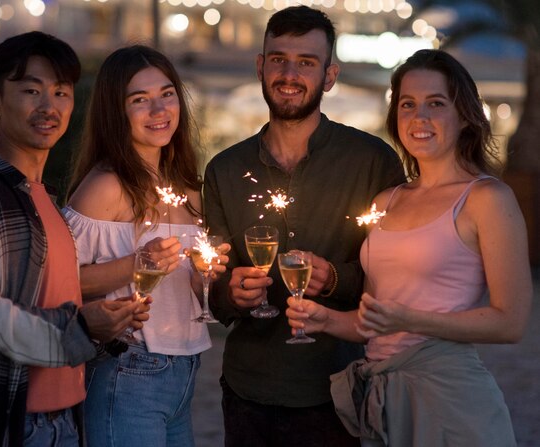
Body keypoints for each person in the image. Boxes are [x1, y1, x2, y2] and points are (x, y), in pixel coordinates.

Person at [286, 49, 533, 446]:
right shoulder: (385, 202)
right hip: (384, 401)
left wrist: (408, 319)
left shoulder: (487, 199)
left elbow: (511, 322)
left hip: (450, 400)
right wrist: (325, 319)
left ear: (465, 115)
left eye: (436, 103)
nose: (420, 117)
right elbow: (376, 319)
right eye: (408, 104)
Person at [0, 31, 150, 447]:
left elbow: (50, 304)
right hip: (9, 423)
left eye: (62, 93)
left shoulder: (43, 200)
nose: (49, 107)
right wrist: (80, 326)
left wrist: (105, 322)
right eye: (31, 90)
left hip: (65, 419)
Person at [203, 6, 405, 446]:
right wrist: (231, 293)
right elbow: (213, 288)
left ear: (329, 75)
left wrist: (334, 278)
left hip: (341, 389)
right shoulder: (224, 169)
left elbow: (396, 282)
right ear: (260, 66)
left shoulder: (373, 162)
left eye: (306, 62)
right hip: (248, 390)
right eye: (277, 58)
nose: (288, 73)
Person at [64, 44, 229, 447]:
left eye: (167, 94)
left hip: (187, 370)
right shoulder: (105, 186)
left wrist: (205, 276)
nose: (159, 110)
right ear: (115, 112)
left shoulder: (188, 187)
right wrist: (138, 264)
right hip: (129, 370)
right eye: (140, 100)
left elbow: (187, 288)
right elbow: (61, 281)